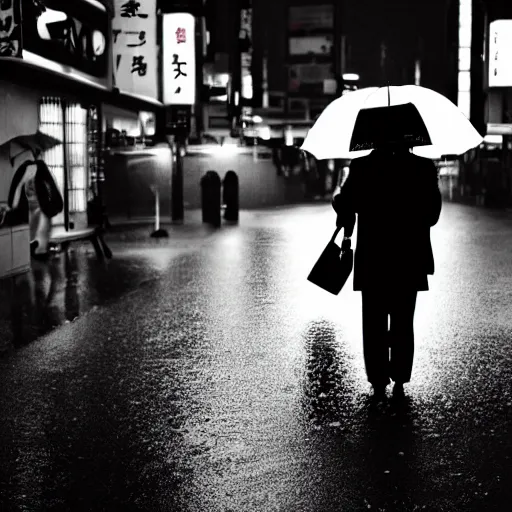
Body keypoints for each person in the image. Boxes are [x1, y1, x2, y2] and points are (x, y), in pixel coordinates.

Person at [332, 141, 442, 397]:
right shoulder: (423, 167)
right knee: (403, 319)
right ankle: (401, 379)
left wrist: (338, 197)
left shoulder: (362, 167)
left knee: (373, 320)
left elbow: (347, 205)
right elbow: (432, 215)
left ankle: (378, 380)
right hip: (409, 257)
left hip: (374, 256)